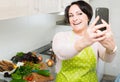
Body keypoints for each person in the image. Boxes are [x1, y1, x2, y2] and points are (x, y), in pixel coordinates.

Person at [52, 0, 117, 82]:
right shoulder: (60, 36)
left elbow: (107, 59)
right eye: (71, 15)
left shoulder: (95, 37)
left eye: (79, 14)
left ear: (88, 17)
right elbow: (62, 53)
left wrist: (111, 49)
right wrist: (85, 41)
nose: (75, 18)